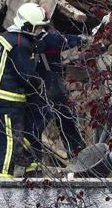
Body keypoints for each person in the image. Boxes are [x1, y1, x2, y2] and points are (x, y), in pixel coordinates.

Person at [0, 3, 49, 178]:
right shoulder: (20, 44)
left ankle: (32, 168)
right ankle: (2, 179)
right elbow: (25, 75)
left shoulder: (8, 37)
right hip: (9, 98)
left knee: (21, 134)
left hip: (4, 97)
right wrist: (40, 86)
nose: (39, 31)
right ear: (27, 25)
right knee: (9, 140)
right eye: (37, 27)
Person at [23, 27, 87, 176]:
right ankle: (78, 156)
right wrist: (83, 39)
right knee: (66, 122)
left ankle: (34, 167)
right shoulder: (52, 39)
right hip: (54, 87)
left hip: (40, 89)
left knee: (35, 127)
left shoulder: (25, 42)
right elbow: (71, 40)